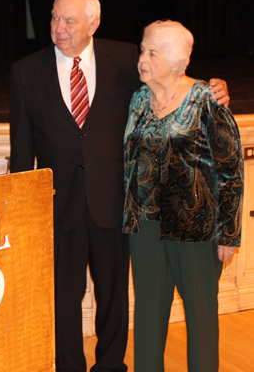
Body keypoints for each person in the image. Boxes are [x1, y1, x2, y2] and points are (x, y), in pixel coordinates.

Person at [9, 0, 229, 372]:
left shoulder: (126, 58)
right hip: (59, 210)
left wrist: (212, 89)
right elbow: (22, 151)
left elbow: (169, 76)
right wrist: (26, 215)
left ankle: (111, 367)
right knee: (63, 301)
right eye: (54, 18)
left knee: (115, 299)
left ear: (93, 23)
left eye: (69, 20)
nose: (59, 28)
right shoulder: (25, 73)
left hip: (115, 206)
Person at [123, 20, 243, 372]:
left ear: (176, 61)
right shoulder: (139, 99)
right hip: (144, 225)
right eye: (142, 50)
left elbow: (231, 170)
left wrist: (229, 234)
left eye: (152, 53)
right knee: (147, 313)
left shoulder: (207, 100)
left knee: (201, 315)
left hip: (196, 228)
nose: (142, 58)